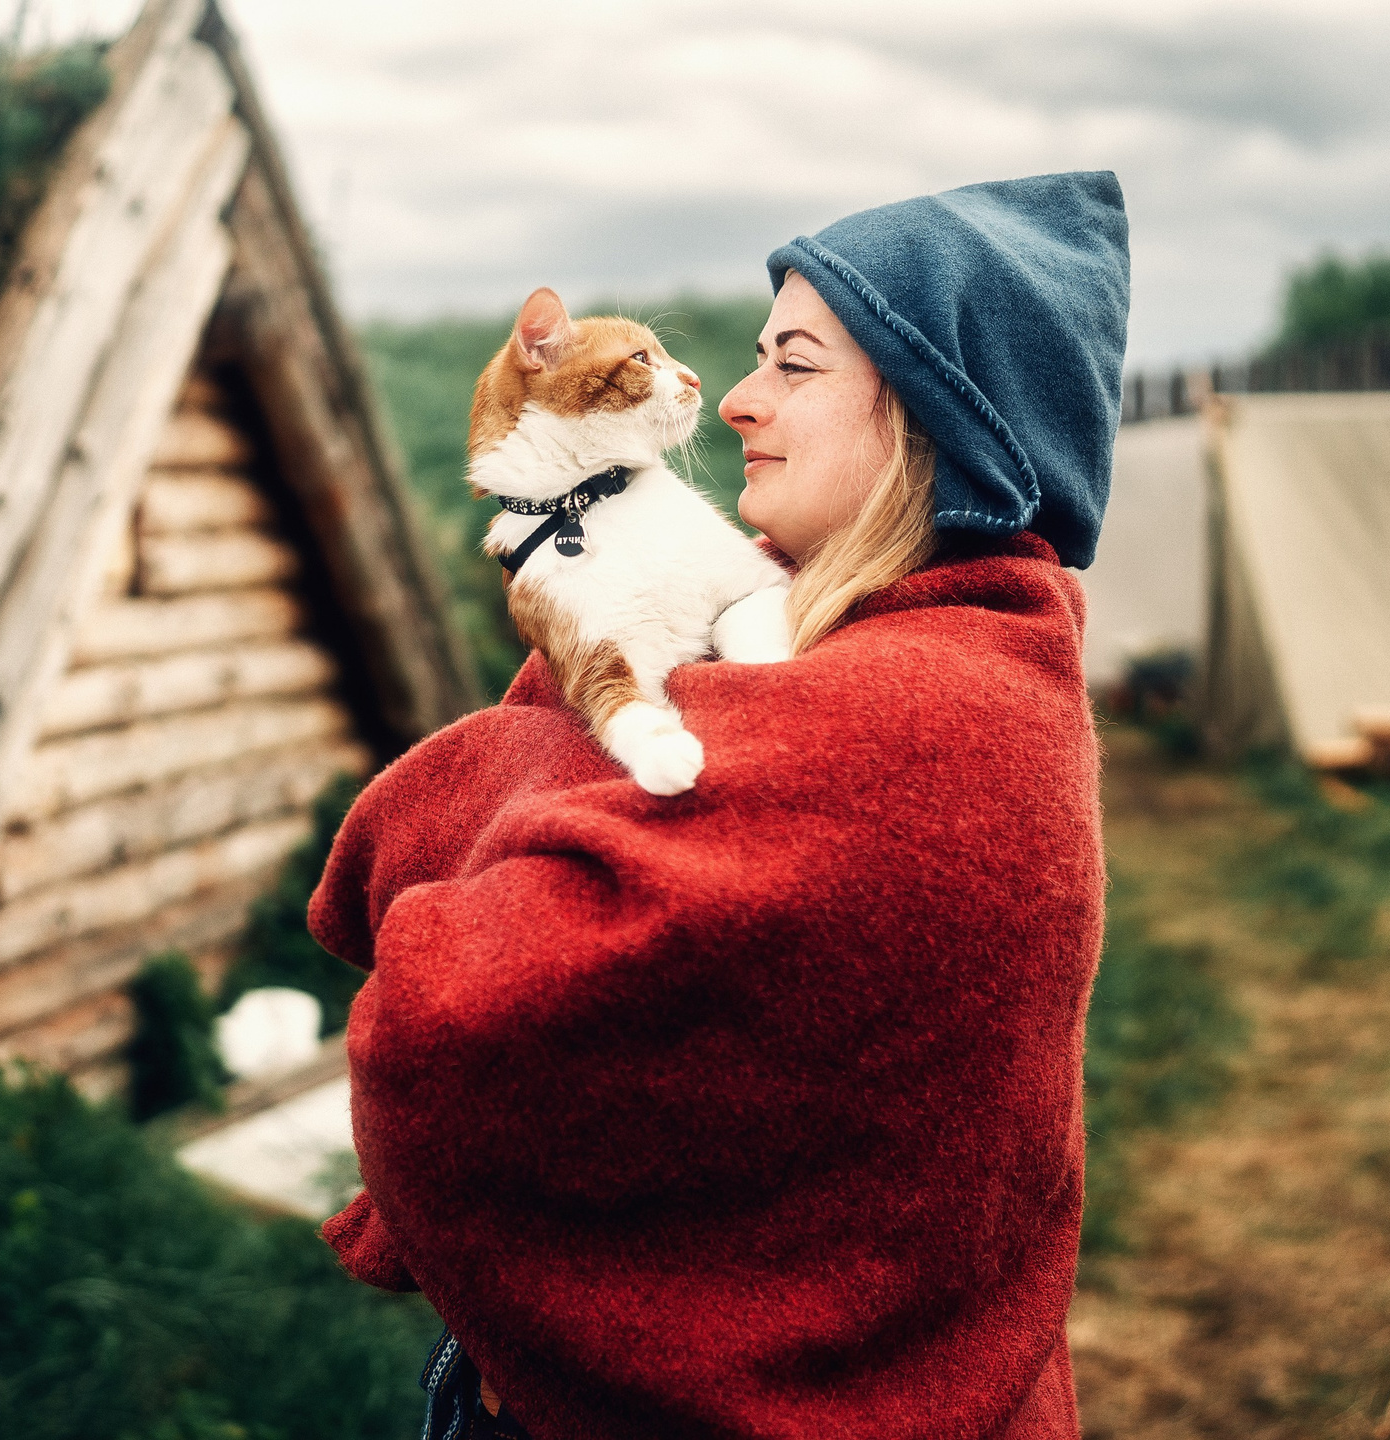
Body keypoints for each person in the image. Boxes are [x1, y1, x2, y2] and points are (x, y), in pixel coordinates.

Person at [310, 172, 1131, 1440]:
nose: (737, 398)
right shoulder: (799, 625)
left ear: (937, 413)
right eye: (752, 359)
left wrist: (481, 777)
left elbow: (443, 1022)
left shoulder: (934, 716)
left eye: (794, 366)